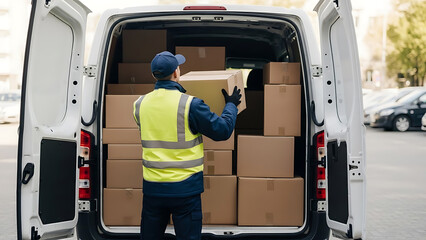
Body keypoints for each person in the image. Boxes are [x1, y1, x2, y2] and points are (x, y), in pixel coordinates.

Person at [133, 51, 241, 240]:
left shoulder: (140, 104)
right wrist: (231, 105)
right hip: (185, 190)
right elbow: (222, 131)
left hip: (153, 190)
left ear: (154, 75)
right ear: (176, 72)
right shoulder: (190, 104)